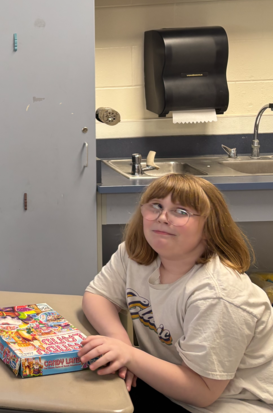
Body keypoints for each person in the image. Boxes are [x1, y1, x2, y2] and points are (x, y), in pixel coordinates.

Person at [80, 174, 273, 412]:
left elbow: (202, 392)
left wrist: (129, 356)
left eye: (181, 212)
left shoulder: (218, 295)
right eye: (156, 206)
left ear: (209, 228)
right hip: (169, 384)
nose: (162, 217)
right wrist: (122, 344)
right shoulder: (135, 255)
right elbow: (98, 296)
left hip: (227, 404)